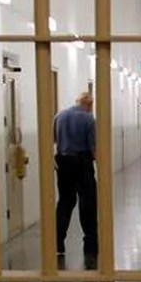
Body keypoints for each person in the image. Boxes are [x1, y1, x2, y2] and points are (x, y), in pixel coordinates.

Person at [53, 92, 98, 256]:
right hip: (82, 161)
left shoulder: (59, 116)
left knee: (64, 202)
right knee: (88, 203)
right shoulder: (88, 119)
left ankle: (57, 242)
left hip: (63, 162)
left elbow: (53, 140)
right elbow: (92, 147)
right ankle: (90, 242)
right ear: (89, 104)